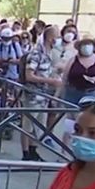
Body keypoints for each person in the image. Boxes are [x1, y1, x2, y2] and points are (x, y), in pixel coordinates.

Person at [21, 25, 62, 161]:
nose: (59, 39)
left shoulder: (50, 53)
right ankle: (26, 154)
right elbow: (29, 76)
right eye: (57, 36)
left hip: (44, 95)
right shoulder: (36, 53)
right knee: (27, 125)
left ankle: (33, 151)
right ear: (50, 38)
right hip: (33, 95)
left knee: (38, 125)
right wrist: (50, 81)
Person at [61, 38, 95, 106]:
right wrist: (61, 92)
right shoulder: (73, 60)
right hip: (72, 93)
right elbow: (65, 78)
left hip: (92, 94)